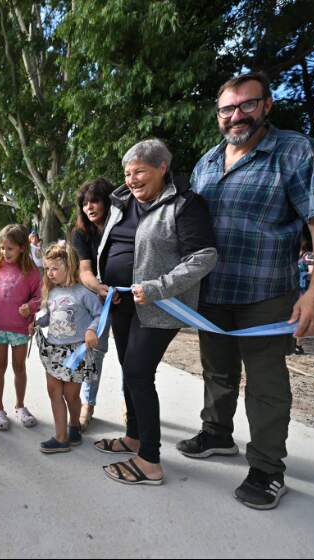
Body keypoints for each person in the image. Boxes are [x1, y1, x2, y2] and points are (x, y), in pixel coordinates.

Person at [178, 72, 314, 510]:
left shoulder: (295, 151)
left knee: (267, 383)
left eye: (247, 105)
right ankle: (217, 433)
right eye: (228, 108)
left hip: (267, 290)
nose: (237, 115)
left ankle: (268, 468)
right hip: (213, 292)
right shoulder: (207, 162)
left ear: (267, 105)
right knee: (216, 370)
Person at [94, 138, 217, 487]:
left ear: (163, 168)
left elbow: (204, 257)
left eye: (139, 172)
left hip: (159, 305)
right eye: (127, 173)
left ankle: (150, 460)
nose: (131, 180)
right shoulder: (120, 202)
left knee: (137, 371)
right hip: (119, 303)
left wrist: (157, 287)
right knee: (129, 371)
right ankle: (133, 436)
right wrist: (105, 282)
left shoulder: (184, 205)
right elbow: (113, 244)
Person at [33, 243, 102, 453]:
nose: (50, 273)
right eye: (47, 269)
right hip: (53, 349)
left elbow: (100, 314)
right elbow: (51, 317)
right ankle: (61, 437)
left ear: (69, 266)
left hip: (76, 352)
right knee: (54, 391)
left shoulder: (83, 293)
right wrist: (38, 323)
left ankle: (74, 425)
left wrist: (91, 330)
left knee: (71, 395)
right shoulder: (52, 292)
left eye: (55, 268)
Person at [0, 224, 42, 431]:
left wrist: (30, 307)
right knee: (0, 366)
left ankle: (20, 405)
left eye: (9, 248)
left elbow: (39, 297)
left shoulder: (32, 272)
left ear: (22, 248)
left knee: (19, 367)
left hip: (20, 328)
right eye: (1, 248)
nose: (4, 252)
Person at [70, 178, 118, 431]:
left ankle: (130, 406)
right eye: (85, 203)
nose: (89, 207)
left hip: (130, 300)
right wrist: (99, 288)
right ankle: (88, 405)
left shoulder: (124, 226)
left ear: (108, 201)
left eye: (95, 201)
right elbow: (84, 270)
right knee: (93, 354)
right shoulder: (80, 234)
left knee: (131, 357)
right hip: (98, 301)